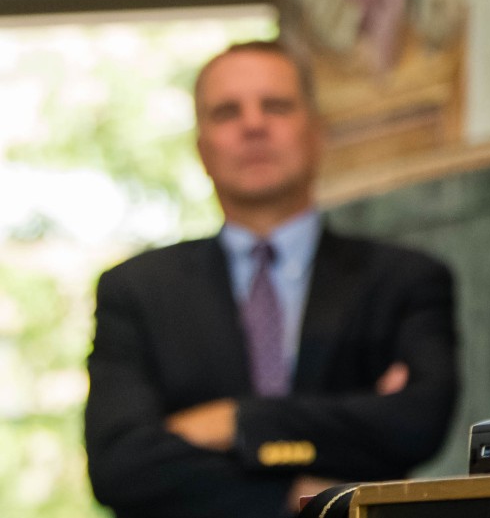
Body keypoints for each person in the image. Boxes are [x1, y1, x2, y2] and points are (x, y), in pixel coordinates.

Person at [84, 41, 459, 517]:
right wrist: (295, 493)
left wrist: (236, 421)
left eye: (276, 106)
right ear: (202, 149)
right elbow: (118, 466)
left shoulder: (403, 279)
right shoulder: (137, 291)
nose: (253, 125)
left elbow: (416, 425)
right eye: (226, 112)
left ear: (317, 133)